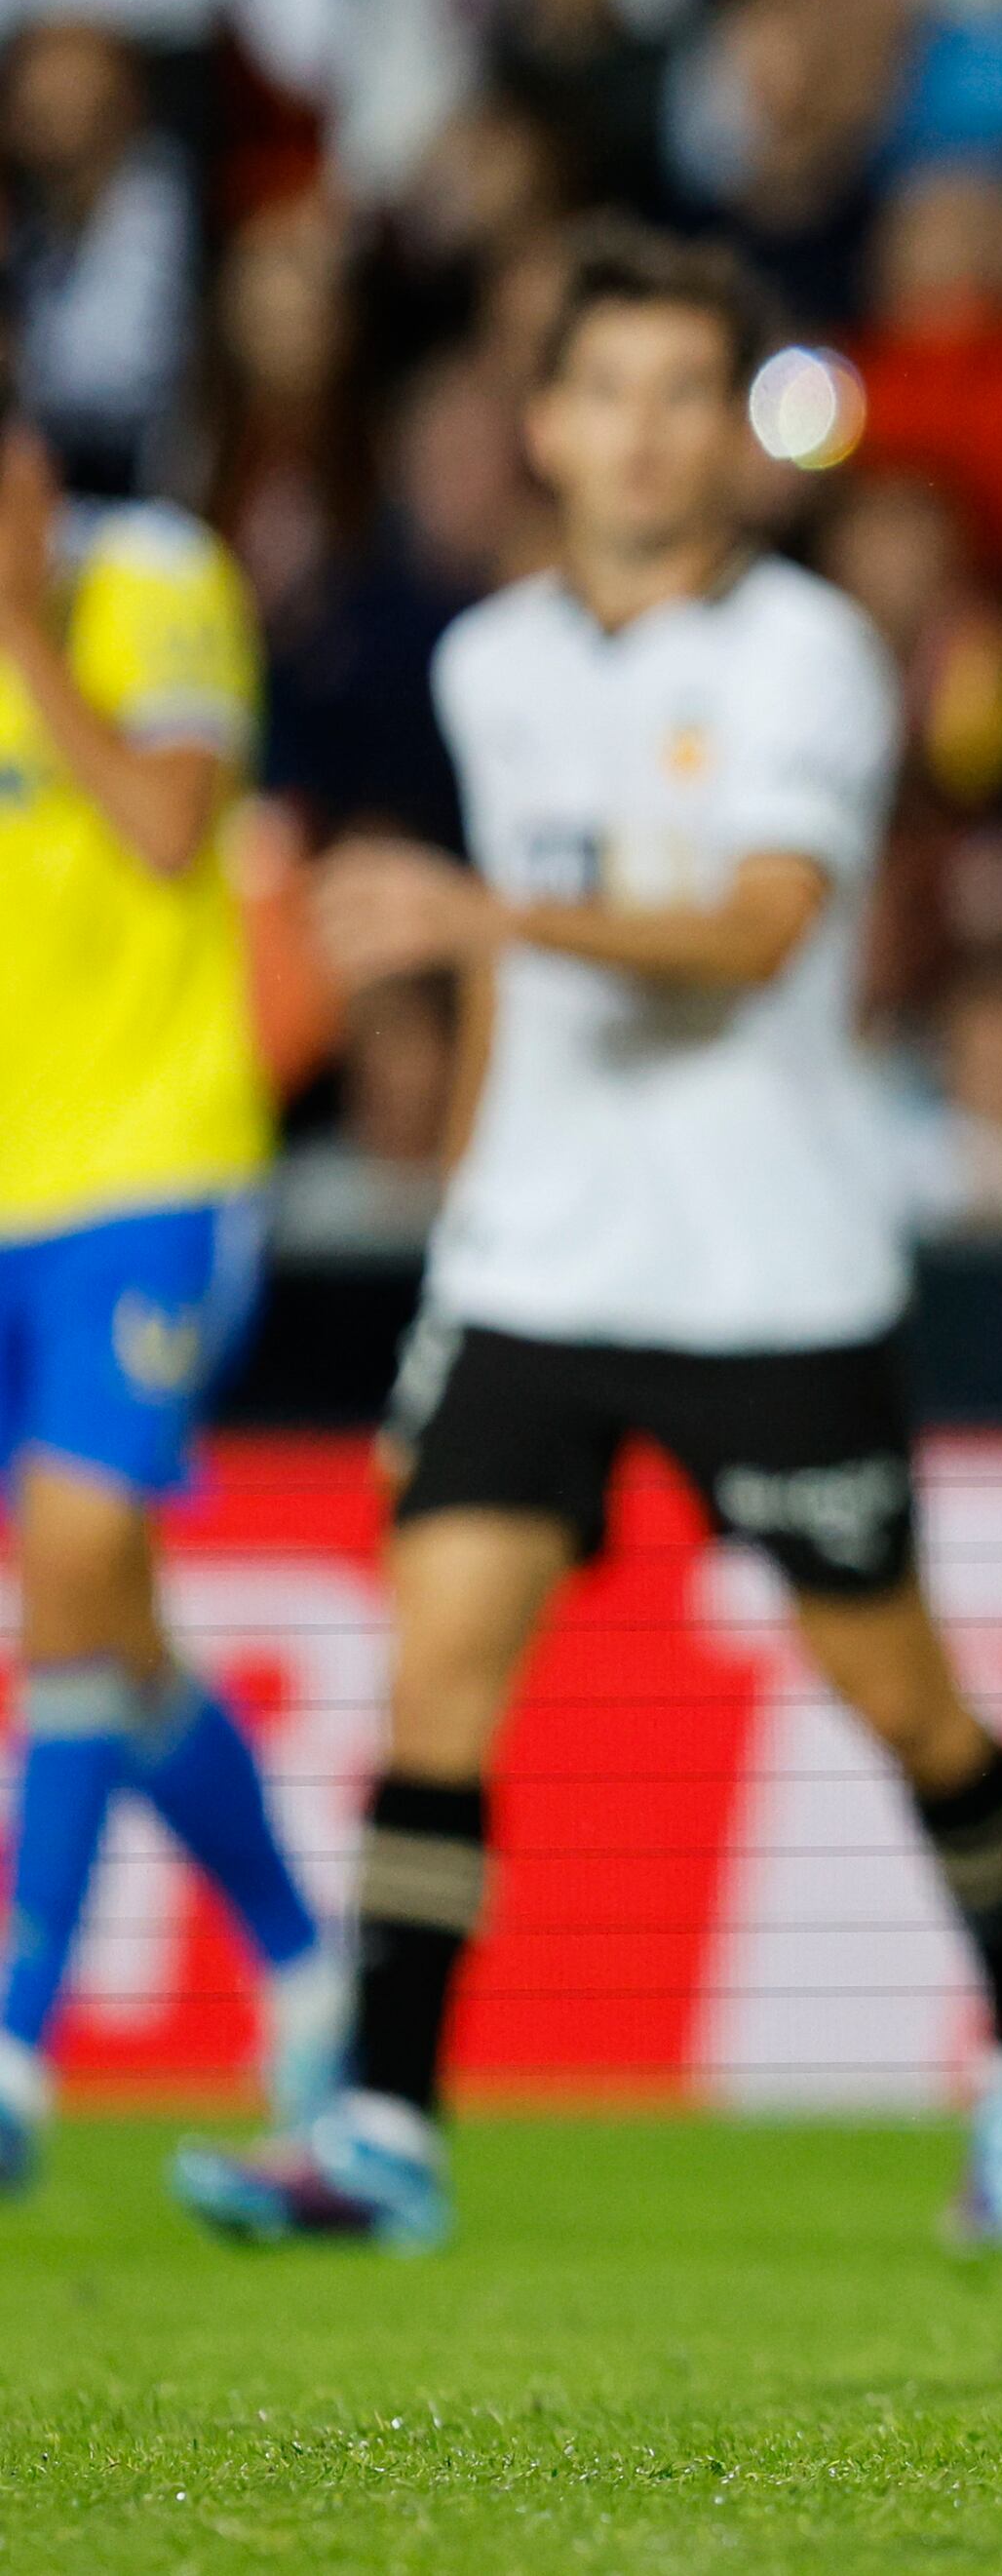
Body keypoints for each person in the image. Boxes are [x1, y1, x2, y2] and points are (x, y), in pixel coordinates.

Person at [172, 233, 1002, 2258]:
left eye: (688, 393)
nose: (647, 431)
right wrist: (467, 1206)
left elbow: (764, 931)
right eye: (610, 392)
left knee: (901, 1693)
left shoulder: (806, 657)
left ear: (734, 437)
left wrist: (484, 927)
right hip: (536, 1256)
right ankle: (388, 2130)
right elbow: (511, 967)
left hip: (767, 1261)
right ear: (543, 426)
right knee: (441, 1673)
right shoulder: (487, 660)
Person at [0, 408, 337, 2194]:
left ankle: (15, 2046)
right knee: (110, 1620)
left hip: (156, 1164)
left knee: (68, 1565)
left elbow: (159, 821)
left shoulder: (158, 582)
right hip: (5, 1183)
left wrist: (21, 633)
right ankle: (301, 1952)